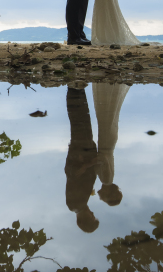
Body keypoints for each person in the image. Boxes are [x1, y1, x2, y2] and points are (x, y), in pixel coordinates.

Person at [64, 85, 100, 233]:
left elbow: (74, 175)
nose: (92, 213)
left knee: (79, 120)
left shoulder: (75, 203)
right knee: (83, 119)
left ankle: (75, 88)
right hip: (83, 153)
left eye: (92, 217)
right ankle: (77, 89)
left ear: (85, 219)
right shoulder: (81, 202)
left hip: (80, 153)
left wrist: (86, 165)